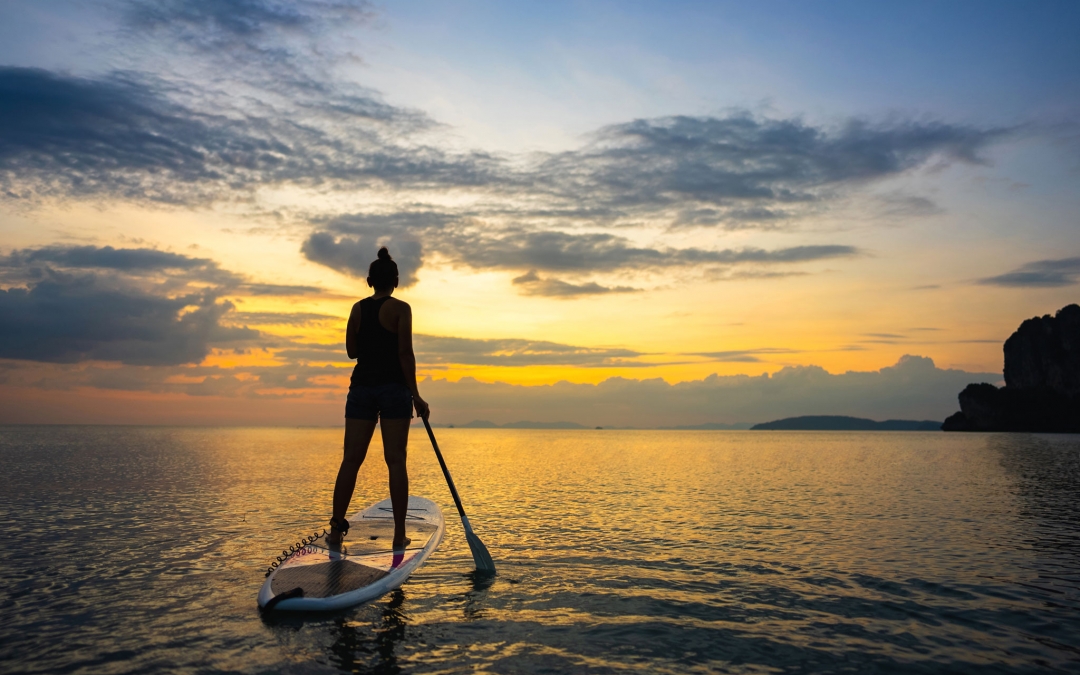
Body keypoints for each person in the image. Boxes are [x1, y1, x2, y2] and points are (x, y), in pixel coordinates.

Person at [328, 247, 429, 550]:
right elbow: (405, 354)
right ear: (396, 281)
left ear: (369, 280)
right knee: (395, 460)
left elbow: (352, 351)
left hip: (361, 390)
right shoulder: (401, 309)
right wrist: (417, 395)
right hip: (393, 390)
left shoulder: (357, 309)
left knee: (350, 461)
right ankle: (399, 536)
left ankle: (335, 533)